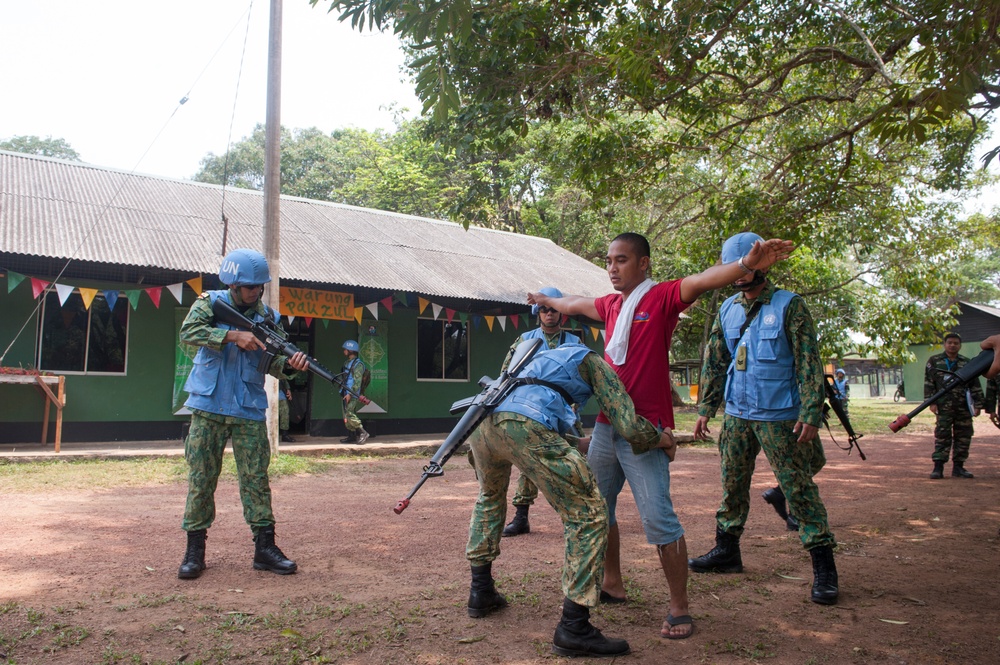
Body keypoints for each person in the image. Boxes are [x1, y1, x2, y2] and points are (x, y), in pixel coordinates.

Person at [528, 232, 794, 639]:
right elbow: (573, 304)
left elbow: (705, 279)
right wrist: (546, 300)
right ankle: (612, 583)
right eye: (609, 261)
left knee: (658, 519)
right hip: (605, 428)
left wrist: (745, 266)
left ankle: (679, 607)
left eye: (621, 260)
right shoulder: (610, 305)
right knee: (598, 510)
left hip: (647, 431)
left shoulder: (663, 297)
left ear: (644, 264)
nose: (612, 268)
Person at [465, 341, 676, 657]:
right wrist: (663, 439)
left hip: (484, 423)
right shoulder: (594, 362)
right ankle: (574, 626)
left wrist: (574, 442)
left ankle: (480, 591)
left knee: (490, 497)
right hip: (522, 424)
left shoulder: (533, 355)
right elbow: (629, 426)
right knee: (589, 512)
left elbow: (521, 403)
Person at [689, 232, 839, 606]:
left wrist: (810, 411)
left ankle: (823, 566)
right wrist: (706, 407)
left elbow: (809, 361)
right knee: (732, 484)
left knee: (799, 488)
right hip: (738, 414)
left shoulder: (790, 305)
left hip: (780, 416)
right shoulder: (727, 309)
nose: (740, 276)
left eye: (747, 267)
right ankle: (727, 551)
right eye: (734, 269)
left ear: (762, 266)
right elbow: (715, 360)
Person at [177, 248, 308, 580]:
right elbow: (188, 333)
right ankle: (195, 551)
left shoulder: (270, 319)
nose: (255, 291)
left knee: (256, 480)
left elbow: (275, 366)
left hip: (248, 408)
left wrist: (292, 367)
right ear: (233, 284)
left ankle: (265, 548)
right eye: (249, 286)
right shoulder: (209, 303)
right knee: (201, 478)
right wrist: (232, 336)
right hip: (207, 406)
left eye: (259, 286)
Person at [500, 286, 585, 538]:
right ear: (538, 312)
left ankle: (582, 515)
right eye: (544, 309)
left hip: (565, 412)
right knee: (529, 461)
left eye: (554, 309)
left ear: (562, 313)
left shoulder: (574, 343)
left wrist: (575, 405)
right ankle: (521, 517)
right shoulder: (525, 340)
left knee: (578, 461)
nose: (549, 314)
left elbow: (584, 380)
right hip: (532, 412)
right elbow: (507, 374)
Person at [924, 332, 983, 479]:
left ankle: (959, 467)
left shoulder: (967, 363)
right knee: (942, 435)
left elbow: (975, 384)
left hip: (963, 405)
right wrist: (931, 402)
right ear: (945, 344)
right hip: (943, 405)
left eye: (956, 343)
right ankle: (938, 467)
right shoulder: (935, 361)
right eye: (949, 342)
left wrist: (978, 404)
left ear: (960, 345)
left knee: (963, 435)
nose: (952, 345)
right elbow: (929, 383)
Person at [339, 340, 369, 444]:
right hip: (345, 391)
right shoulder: (347, 362)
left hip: (353, 393)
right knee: (346, 415)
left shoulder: (358, 364)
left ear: (350, 350)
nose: (344, 351)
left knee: (349, 413)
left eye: (345, 349)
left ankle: (363, 432)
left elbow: (357, 382)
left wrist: (350, 394)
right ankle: (351, 435)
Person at [278, 378, 295, 443]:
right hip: (268, 392)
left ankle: (285, 435)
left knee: (285, 413)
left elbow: (282, 376)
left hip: (280, 393)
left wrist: (288, 389)